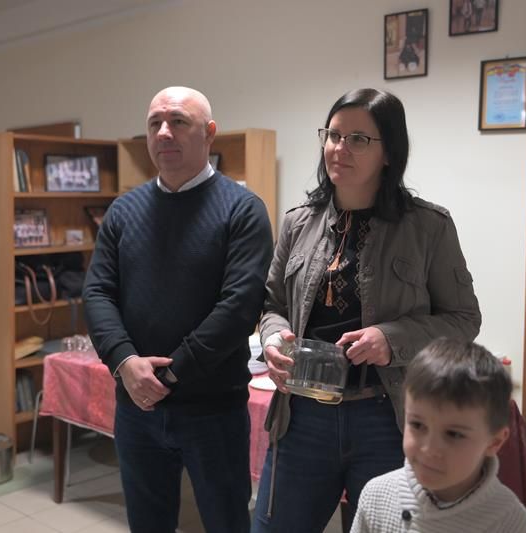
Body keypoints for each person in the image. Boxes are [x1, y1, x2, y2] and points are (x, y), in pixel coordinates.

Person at [251, 88, 481, 532]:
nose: (340, 148)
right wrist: (274, 337)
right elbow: (272, 304)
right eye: (333, 135)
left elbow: (464, 319)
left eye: (358, 139)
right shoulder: (298, 222)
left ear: (389, 152)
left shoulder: (428, 227)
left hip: (387, 417)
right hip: (301, 416)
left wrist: (391, 339)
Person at [83, 86, 273, 533]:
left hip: (213, 411)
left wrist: (167, 377)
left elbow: (239, 308)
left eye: (178, 121)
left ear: (209, 133)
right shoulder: (123, 211)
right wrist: (125, 362)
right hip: (137, 409)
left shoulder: (242, 210)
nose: (164, 133)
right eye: (155, 124)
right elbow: (97, 293)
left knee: (226, 522)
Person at [350, 338, 526, 533]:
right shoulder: (376, 497)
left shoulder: (512, 523)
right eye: (417, 425)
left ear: (494, 442)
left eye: (454, 434)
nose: (429, 449)